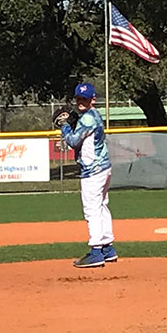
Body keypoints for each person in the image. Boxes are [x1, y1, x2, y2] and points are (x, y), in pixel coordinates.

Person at [56, 82, 117, 269]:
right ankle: (108, 248)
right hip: (104, 167)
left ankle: (96, 251)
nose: (81, 101)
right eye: (78, 98)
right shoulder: (93, 115)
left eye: (85, 98)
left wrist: (65, 126)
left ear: (93, 100)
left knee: (91, 209)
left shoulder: (88, 118)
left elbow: (74, 141)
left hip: (93, 170)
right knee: (101, 206)